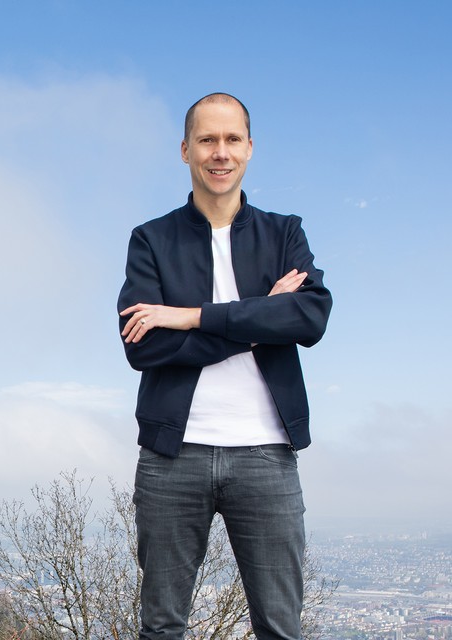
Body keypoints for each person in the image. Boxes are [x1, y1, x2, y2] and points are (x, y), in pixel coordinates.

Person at [116, 92, 332, 640]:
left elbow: (309, 319)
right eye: (207, 140)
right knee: (162, 627)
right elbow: (143, 348)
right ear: (185, 150)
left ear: (250, 148)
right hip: (171, 457)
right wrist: (259, 323)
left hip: (267, 455)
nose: (220, 152)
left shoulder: (284, 233)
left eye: (232, 139)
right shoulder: (151, 240)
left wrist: (190, 317)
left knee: (280, 629)